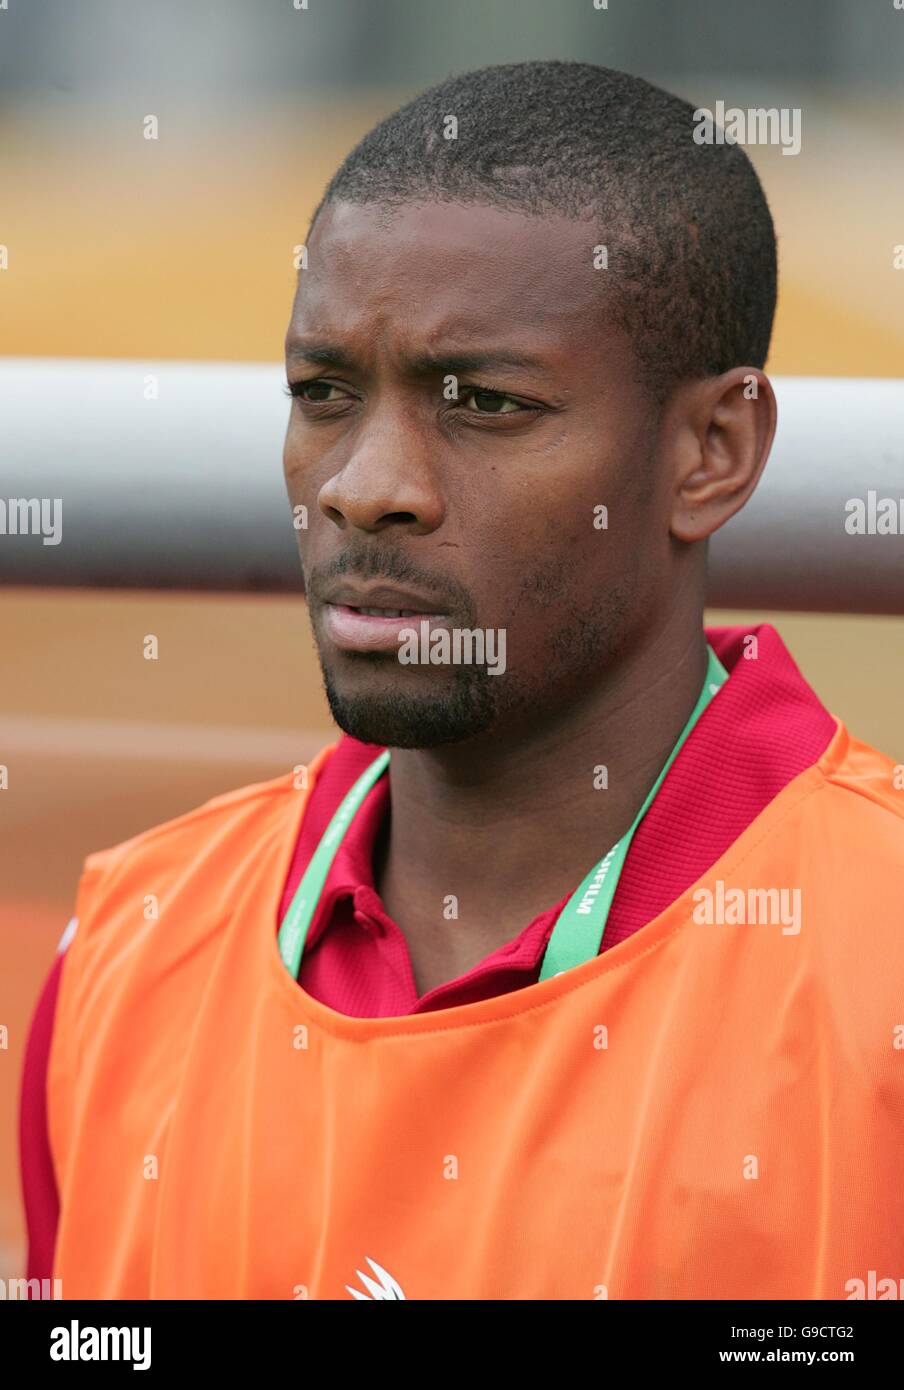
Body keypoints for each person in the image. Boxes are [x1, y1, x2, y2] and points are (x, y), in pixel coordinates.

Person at [20, 59, 904, 1301]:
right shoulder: (130, 945)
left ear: (712, 451)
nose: (365, 484)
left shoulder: (876, 962)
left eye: (482, 402)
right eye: (323, 392)